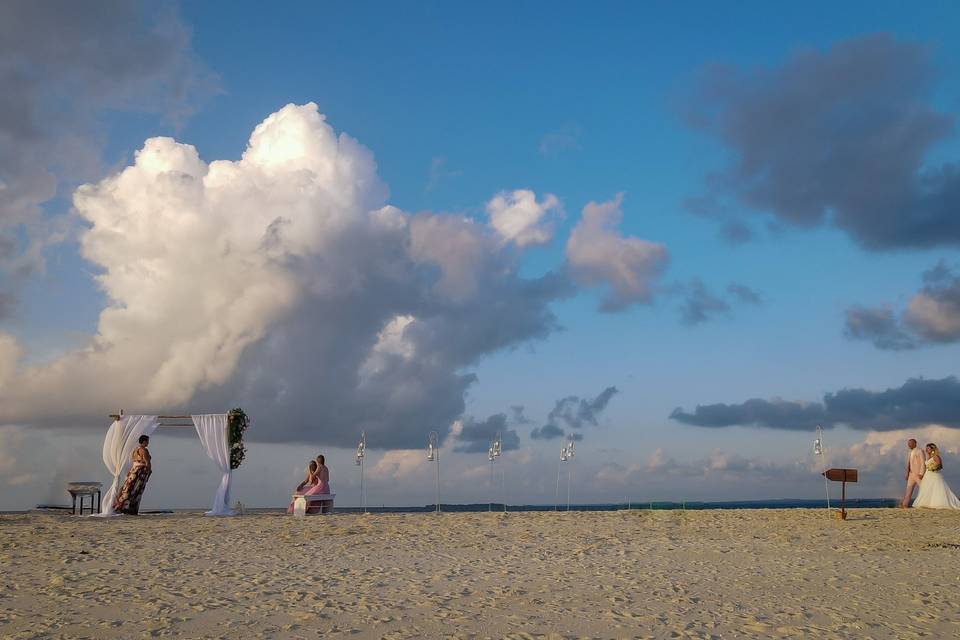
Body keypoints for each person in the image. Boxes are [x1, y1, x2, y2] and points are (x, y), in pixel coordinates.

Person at [113, 435, 152, 515]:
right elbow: (147, 463)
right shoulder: (144, 450)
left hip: (133, 471)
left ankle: (120, 506)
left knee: (128, 488)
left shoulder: (135, 450)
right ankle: (130, 508)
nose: (148, 443)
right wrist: (149, 472)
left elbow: (134, 461)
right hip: (141, 472)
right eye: (147, 441)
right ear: (144, 441)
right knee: (136, 490)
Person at [912, 443, 960, 509]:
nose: (926, 450)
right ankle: (927, 503)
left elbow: (940, 466)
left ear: (932, 449)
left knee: (937, 489)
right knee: (927, 489)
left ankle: (939, 503)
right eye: (926, 448)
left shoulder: (936, 456)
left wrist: (934, 468)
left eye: (928, 449)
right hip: (928, 475)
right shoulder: (928, 457)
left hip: (935, 475)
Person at [901, 438, 926, 508]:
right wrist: (907, 473)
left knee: (923, 488)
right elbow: (909, 463)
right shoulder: (910, 452)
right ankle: (905, 504)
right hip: (911, 475)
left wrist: (921, 473)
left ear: (915, 443)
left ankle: (926, 503)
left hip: (918, 474)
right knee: (908, 490)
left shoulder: (920, 451)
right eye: (908, 444)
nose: (909, 445)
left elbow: (923, 462)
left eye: (911, 444)